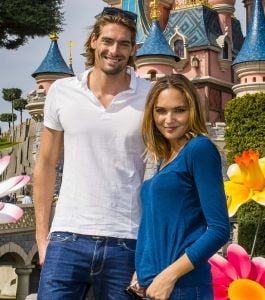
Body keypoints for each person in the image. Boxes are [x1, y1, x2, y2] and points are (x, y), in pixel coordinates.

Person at [34, 7, 151, 299]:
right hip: (67, 236)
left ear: (134, 49)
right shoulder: (62, 92)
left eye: (124, 44)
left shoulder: (150, 96)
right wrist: (41, 235)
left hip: (128, 241)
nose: (115, 50)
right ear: (93, 41)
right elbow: (46, 164)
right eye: (108, 41)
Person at [129, 74, 230, 300]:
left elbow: (219, 229)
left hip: (182, 288)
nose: (169, 119)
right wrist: (141, 271)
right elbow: (157, 226)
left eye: (179, 110)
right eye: (161, 111)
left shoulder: (199, 149)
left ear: (192, 110)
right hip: (154, 288)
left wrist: (168, 277)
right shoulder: (165, 160)